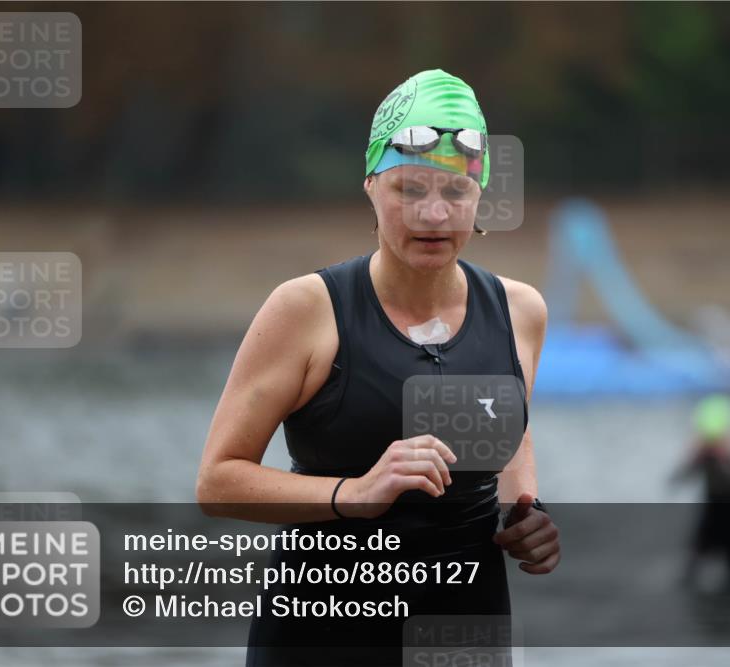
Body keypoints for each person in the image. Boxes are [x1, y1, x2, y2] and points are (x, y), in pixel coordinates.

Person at [195, 69, 559, 666]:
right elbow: (216, 483)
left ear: (480, 195)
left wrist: (527, 513)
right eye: (410, 190)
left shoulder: (519, 311)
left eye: (455, 192)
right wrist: (354, 493)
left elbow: (510, 423)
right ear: (371, 185)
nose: (435, 214)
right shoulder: (307, 309)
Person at [671, 394, 730, 594]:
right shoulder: (704, 453)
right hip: (712, 504)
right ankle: (689, 579)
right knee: (699, 543)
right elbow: (681, 476)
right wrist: (695, 454)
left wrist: (726, 456)